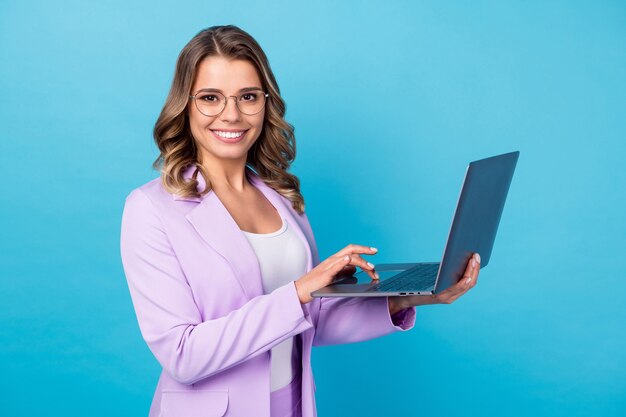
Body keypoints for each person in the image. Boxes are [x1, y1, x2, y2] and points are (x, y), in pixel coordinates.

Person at [119, 25, 480, 417]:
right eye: (210, 98)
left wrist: (417, 295)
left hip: (289, 403)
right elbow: (182, 355)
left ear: (266, 102)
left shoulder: (282, 199)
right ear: (185, 104)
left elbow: (304, 319)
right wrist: (300, 290)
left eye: (248, 97)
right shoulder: (151, 208)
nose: (232, 114)